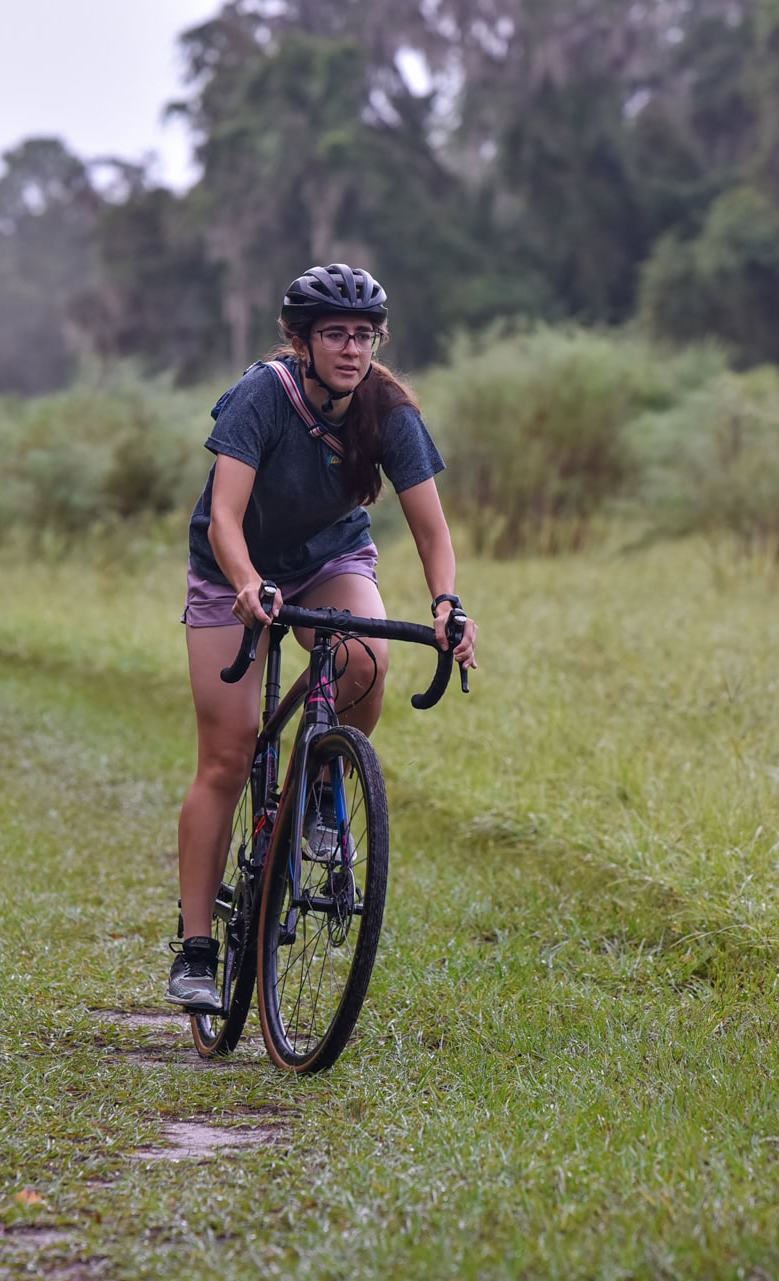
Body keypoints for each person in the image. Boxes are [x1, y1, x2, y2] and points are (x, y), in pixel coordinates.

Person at [166, 263, 480, 1008]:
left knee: (366, 656)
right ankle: (198, 948)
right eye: (336, 334)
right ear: (301, 341)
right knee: (227, 755)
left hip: (329, 560)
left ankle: (321, 785)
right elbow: (225, 517)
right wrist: (246, 583)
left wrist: (446, 603)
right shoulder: (261, 397)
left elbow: (433, 531)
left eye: (364, 335)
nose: (352, 348)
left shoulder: (390, 410)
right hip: (230, 572)